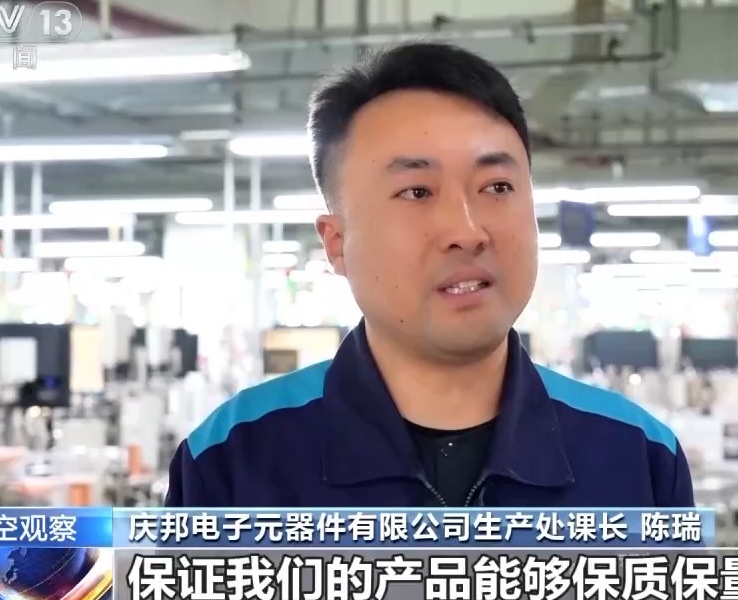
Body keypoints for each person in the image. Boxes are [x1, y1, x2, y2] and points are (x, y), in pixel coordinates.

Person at [166, 42, 694, 507]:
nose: (467, 231)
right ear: (337, 244)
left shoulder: (638, 458)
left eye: (497, 187)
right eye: (416, 192)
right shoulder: (232, 461)